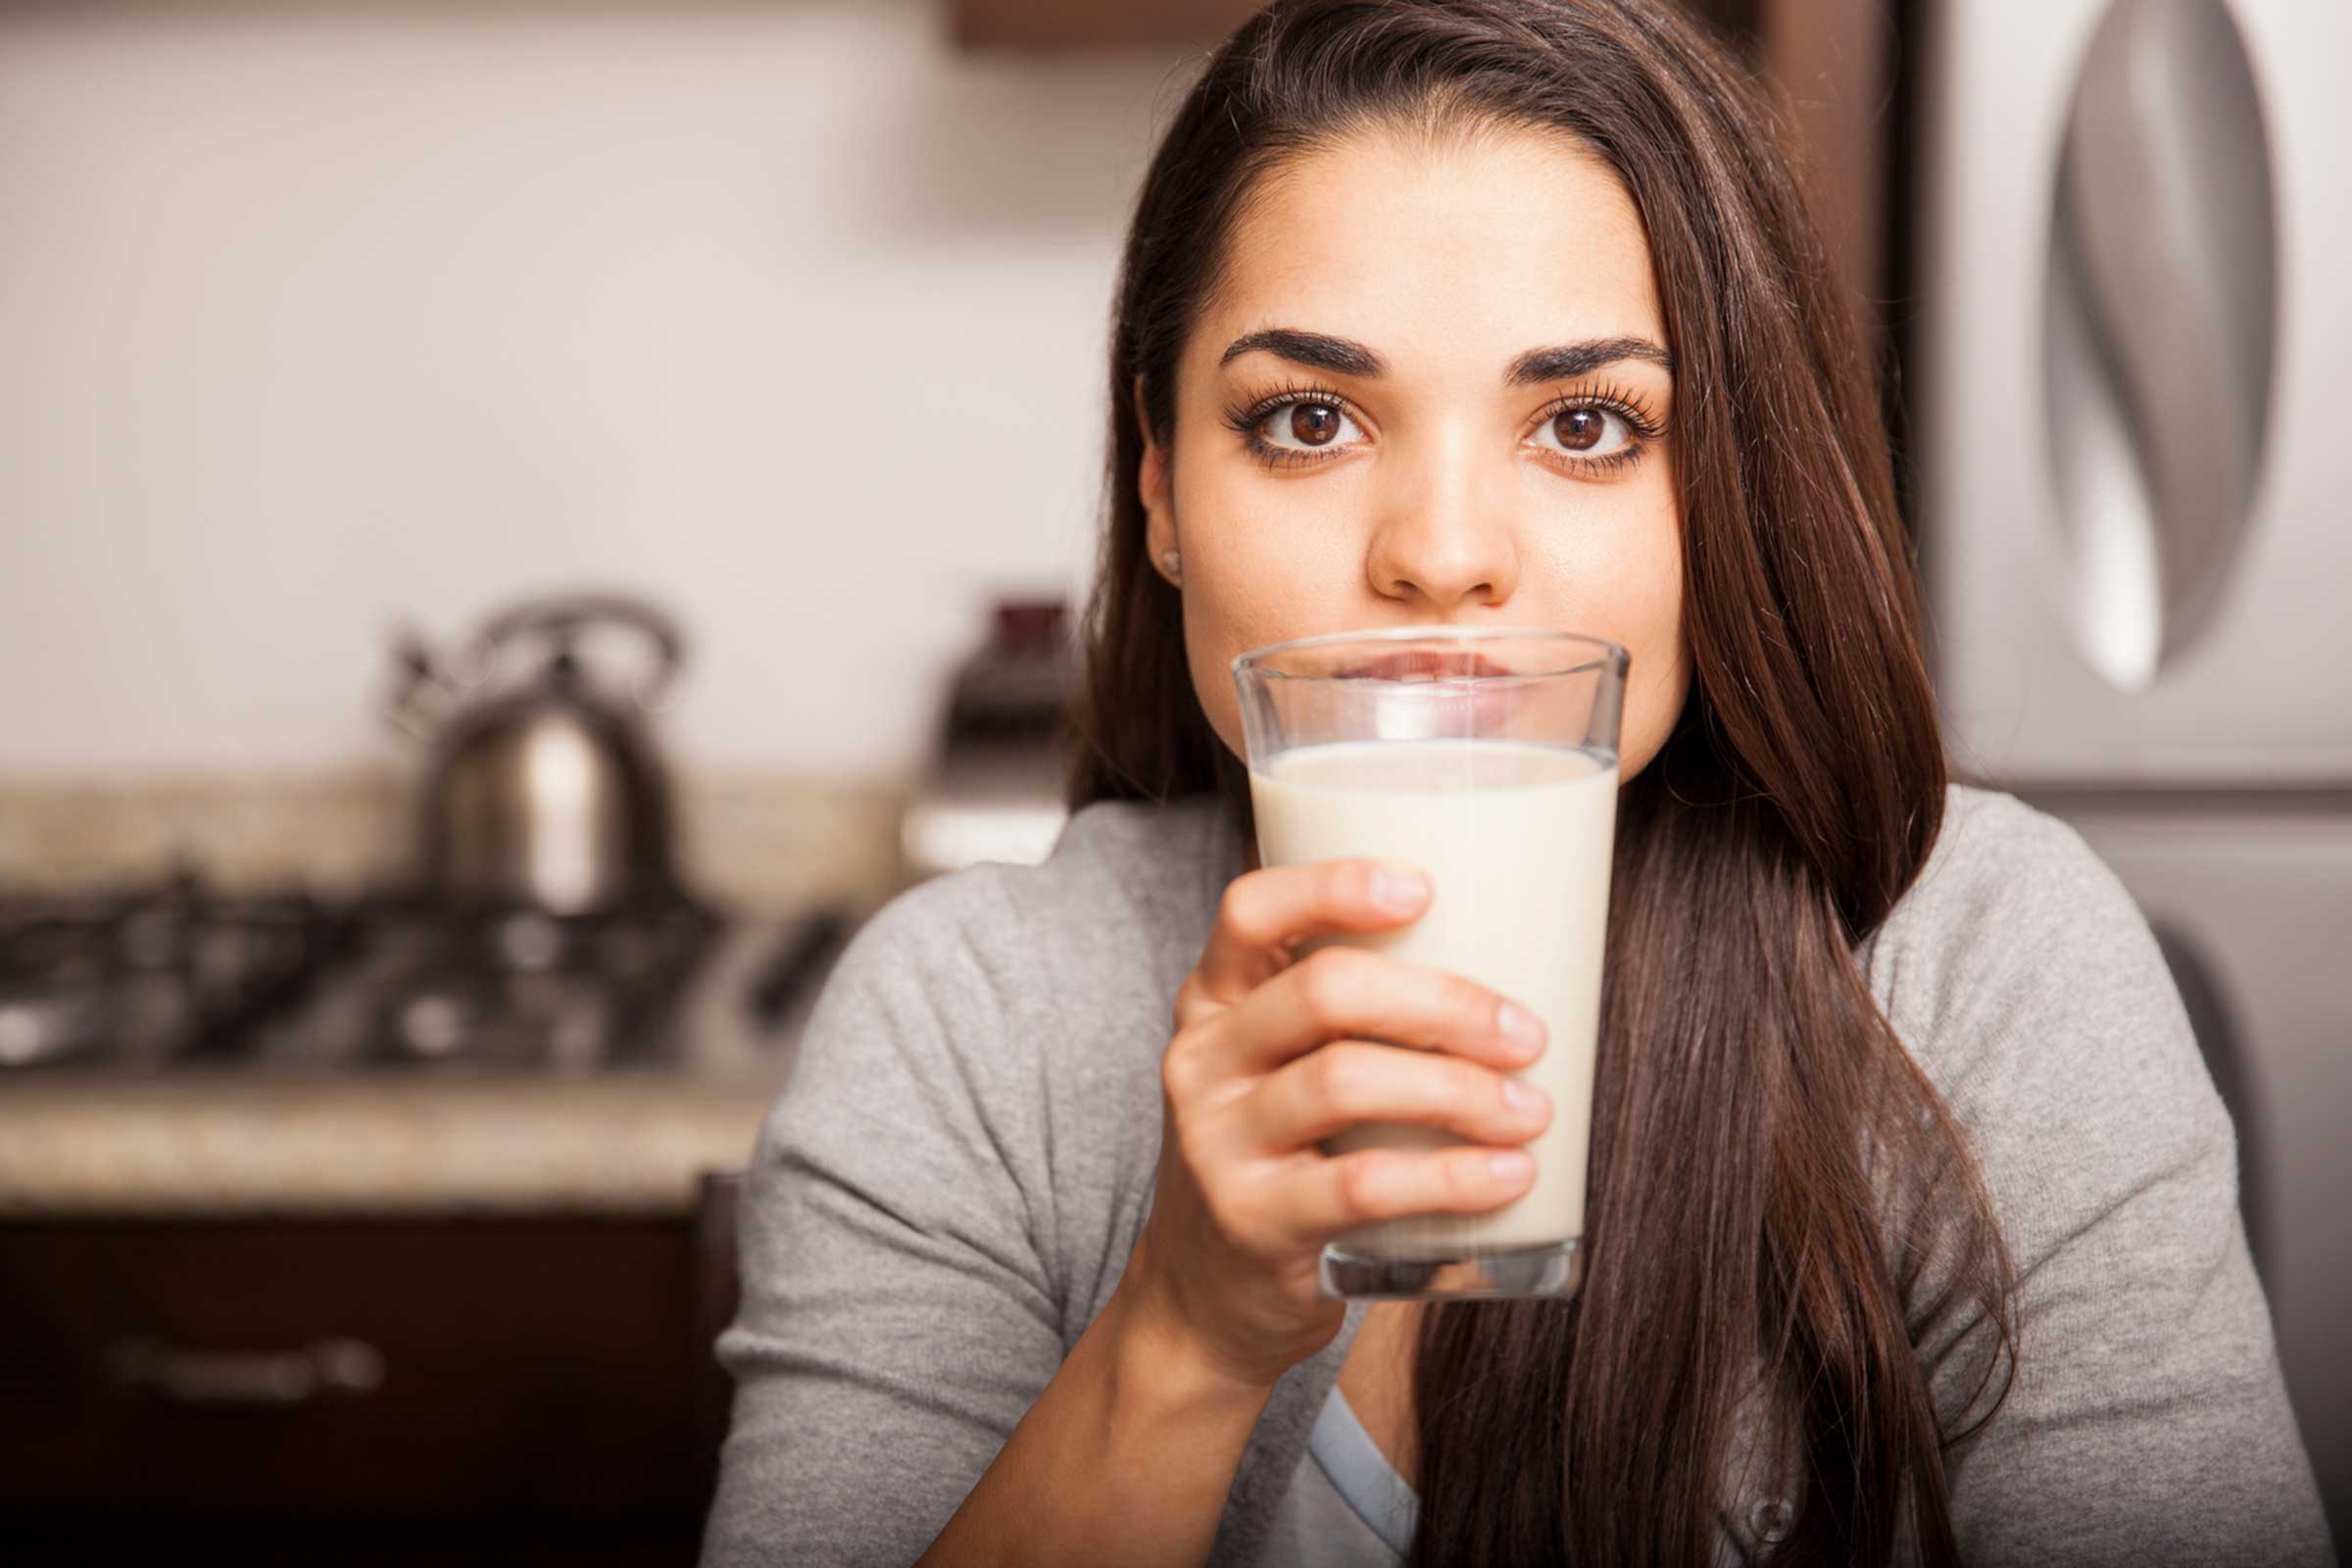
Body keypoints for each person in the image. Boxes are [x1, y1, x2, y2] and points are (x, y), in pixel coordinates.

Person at [701, 1, 2334, 1564]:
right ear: (1161, 487)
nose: (1444, 556)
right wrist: (1184, 1339)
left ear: (1730, 492)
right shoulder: (971, 1026)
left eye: (1587, 426)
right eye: (1312, 416)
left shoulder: (1989, 969)